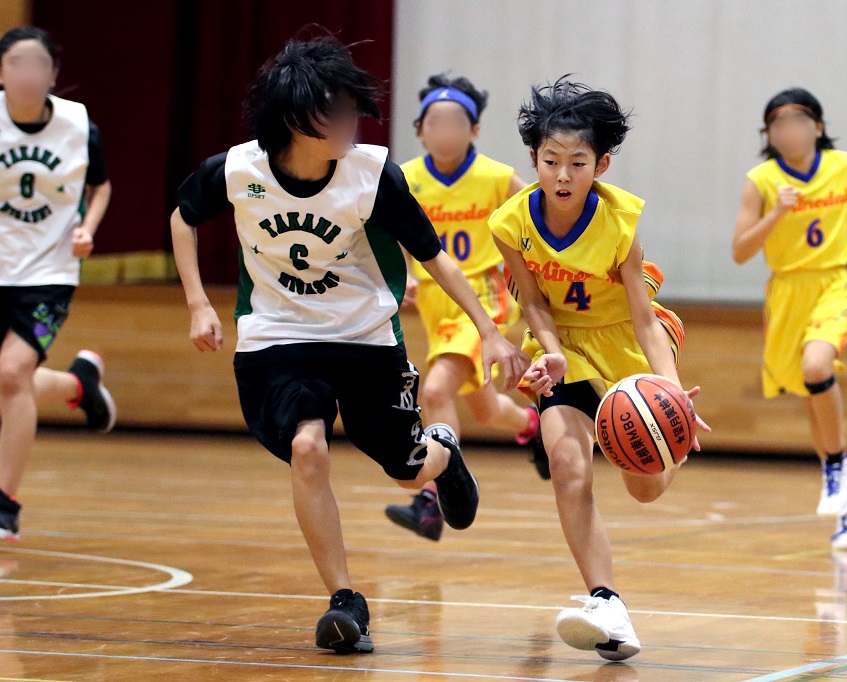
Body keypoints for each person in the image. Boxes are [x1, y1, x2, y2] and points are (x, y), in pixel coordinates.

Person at [170, 33, 528, 654]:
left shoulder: (372, 173)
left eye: (349, 108)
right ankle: (345, 601)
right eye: (332, 111)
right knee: (309, 448)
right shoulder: (238, 169)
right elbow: (182, 216)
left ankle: (441, 454)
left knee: (403, 468)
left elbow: (435, 257)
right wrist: (199, 301)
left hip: (364, 338)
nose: (347, 121)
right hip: (278, 338)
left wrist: (492, 332)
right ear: (292, 119)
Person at [489, 77, 708, 661]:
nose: (562, 175)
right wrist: (549, 348)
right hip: (564, 347)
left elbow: (641, 318)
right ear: (533, 159)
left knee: (644, 488)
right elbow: (531, 300)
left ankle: (667, 443)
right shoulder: (511, 224)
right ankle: (607, 603)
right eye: (550, 160)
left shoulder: (619, 224)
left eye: (577, 162)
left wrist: (668, 393)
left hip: (624, 346)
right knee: (565, 462)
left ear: (601, 165)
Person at [732, 87, 847, 550]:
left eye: (798, 122)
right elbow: (740, 252)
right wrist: (776, 213)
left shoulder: (845, 166)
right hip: (787, 292)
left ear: (817, 127)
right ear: (770, 135)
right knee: (809, 396)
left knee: (817, 367)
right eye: (778, 125)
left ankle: (837, 469)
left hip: (836, 282)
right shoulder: (761, 181)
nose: (789, 132)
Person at [385, 73, 548, 542]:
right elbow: (385, 233)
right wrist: (407, 274)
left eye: (456, 122)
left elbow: (538, 222)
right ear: (420, 130)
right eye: (434, 122)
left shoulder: (499, 178)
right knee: (483, 410)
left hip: (485, 300)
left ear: (474, 130)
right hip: (437, 305)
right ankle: (532, 424)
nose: (445, 131)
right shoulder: (406, 178)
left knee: (435, 392)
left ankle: (434, 500)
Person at [0, 27, 116, 541]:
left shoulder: (77, 124)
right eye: (17, 63)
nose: (28, 74)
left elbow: (102, 183)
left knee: (10, 372)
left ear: (53, 75)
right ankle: (78, 386)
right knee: (8, 383)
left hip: (47, 272)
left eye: (38, 65)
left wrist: (88, 226)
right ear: (2, 72)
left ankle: (5, 504)